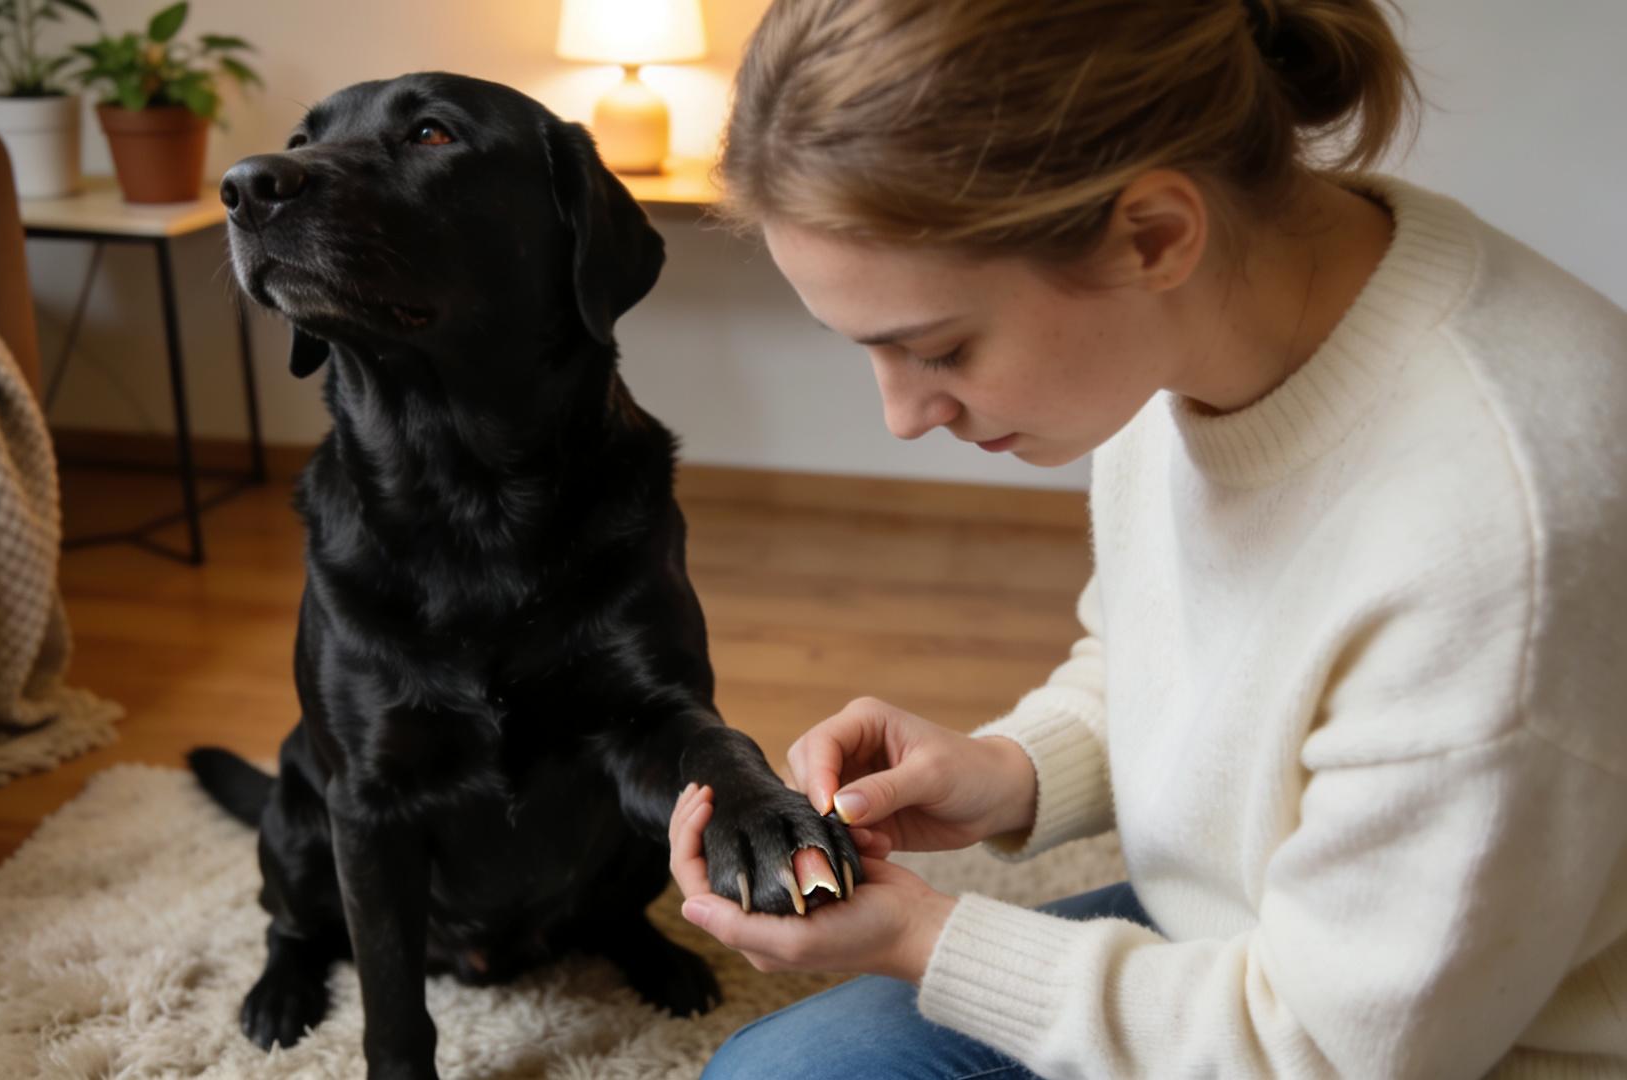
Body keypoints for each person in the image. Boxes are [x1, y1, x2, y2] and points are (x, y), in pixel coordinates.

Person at [664, 0, 1627, 1076]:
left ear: (1155, 234)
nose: (902, 415)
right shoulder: (1200, 330)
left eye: (937, 348)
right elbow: (1169, 655)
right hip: (1265, 946)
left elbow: (1324, 1049)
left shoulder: (1502, 534)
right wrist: (1008, 767)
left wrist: (924, 938)